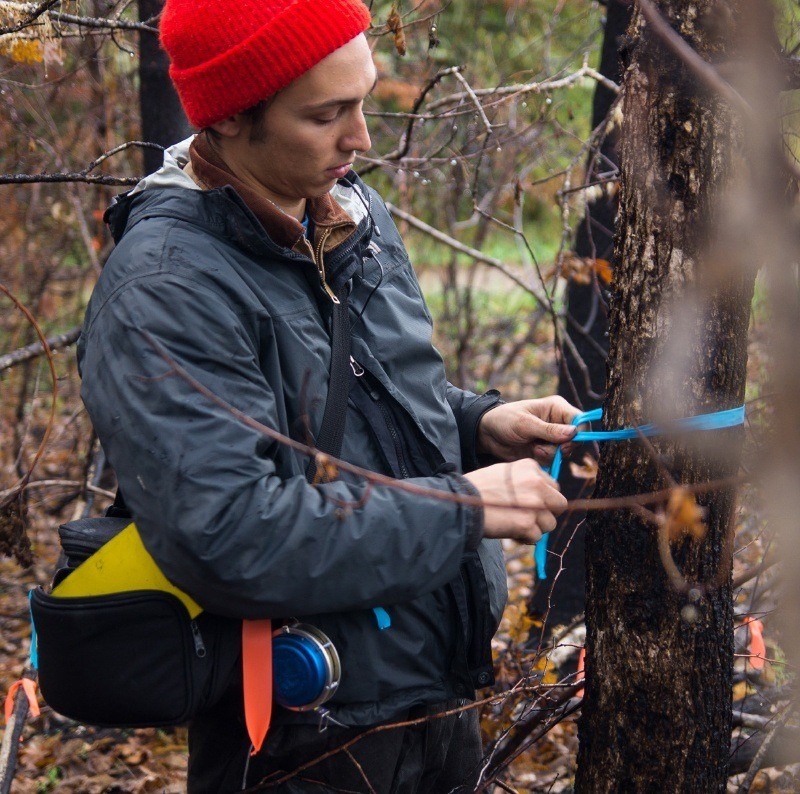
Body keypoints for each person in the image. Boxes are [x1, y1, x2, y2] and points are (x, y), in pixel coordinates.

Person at [77, 0, 580, 790]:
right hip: (300, 739)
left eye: (363, 99)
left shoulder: (349, 211)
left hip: (436, 697)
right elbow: (232, 536)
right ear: (235, 119)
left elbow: (347, 400)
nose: (362, 138)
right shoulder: (166, 289)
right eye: (327, 114)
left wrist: (478, 422)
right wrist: (465, 508)